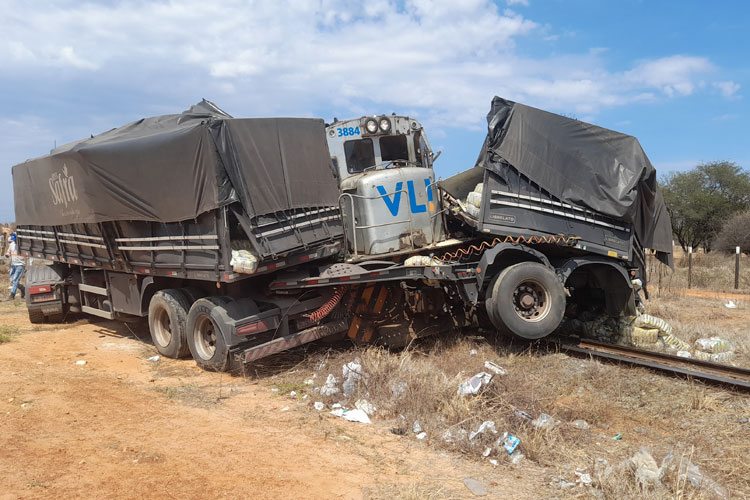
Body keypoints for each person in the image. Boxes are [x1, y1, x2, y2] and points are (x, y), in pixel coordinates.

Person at [5, 232, 26, 300]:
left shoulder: (23, 245)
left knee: (15, 279)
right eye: (13, 240)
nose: (14, 241)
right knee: (12, 280)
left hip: (20, 265)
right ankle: (23, 289)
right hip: (13, 265)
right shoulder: (11, 244)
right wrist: (7, 255)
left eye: (15, 239)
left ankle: (12, 295)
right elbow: (8, 252)